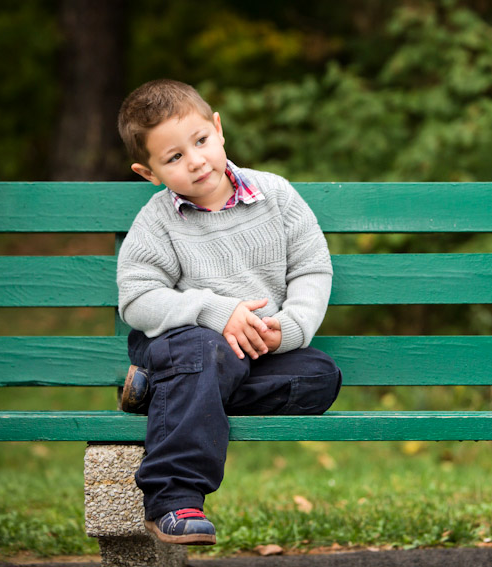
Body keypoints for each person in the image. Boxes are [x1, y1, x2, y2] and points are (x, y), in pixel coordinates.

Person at [115, 79, 342, 546]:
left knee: (320, 375)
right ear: (148, 172)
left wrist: (291, 326)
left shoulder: (274, 194)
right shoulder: (157, 221)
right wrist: (216, 312)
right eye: (174, 157)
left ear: (218, 129)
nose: (195, 160)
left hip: (259, 348)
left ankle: (163, 391)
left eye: (200, 141)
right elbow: (137, 299)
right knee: (206, 353)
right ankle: (174, 499)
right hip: (183, 338)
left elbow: (312, 267)